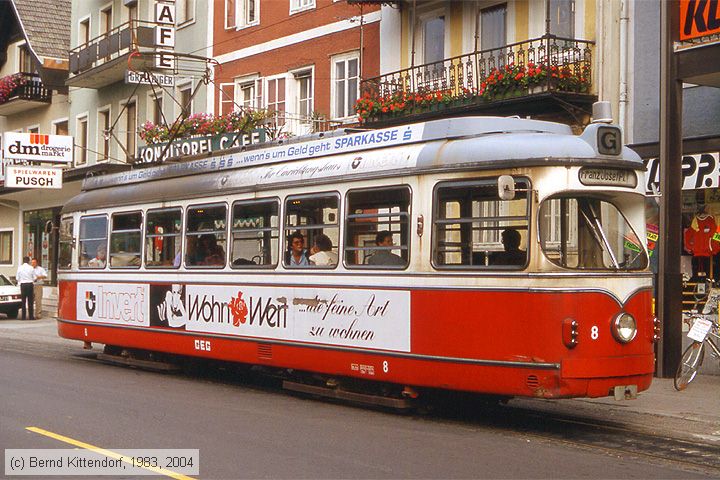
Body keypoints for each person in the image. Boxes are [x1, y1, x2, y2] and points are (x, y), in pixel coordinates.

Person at [16, 256, 35, 320]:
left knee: (23, 301)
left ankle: (23, 316)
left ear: (23, 261)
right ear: (28, 261)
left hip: (23, 284)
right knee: (30, 301)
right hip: (30, 284)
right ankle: (31, 316)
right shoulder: (31, 268)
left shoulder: (20, 268)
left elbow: (17, 278)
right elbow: (34, 277)